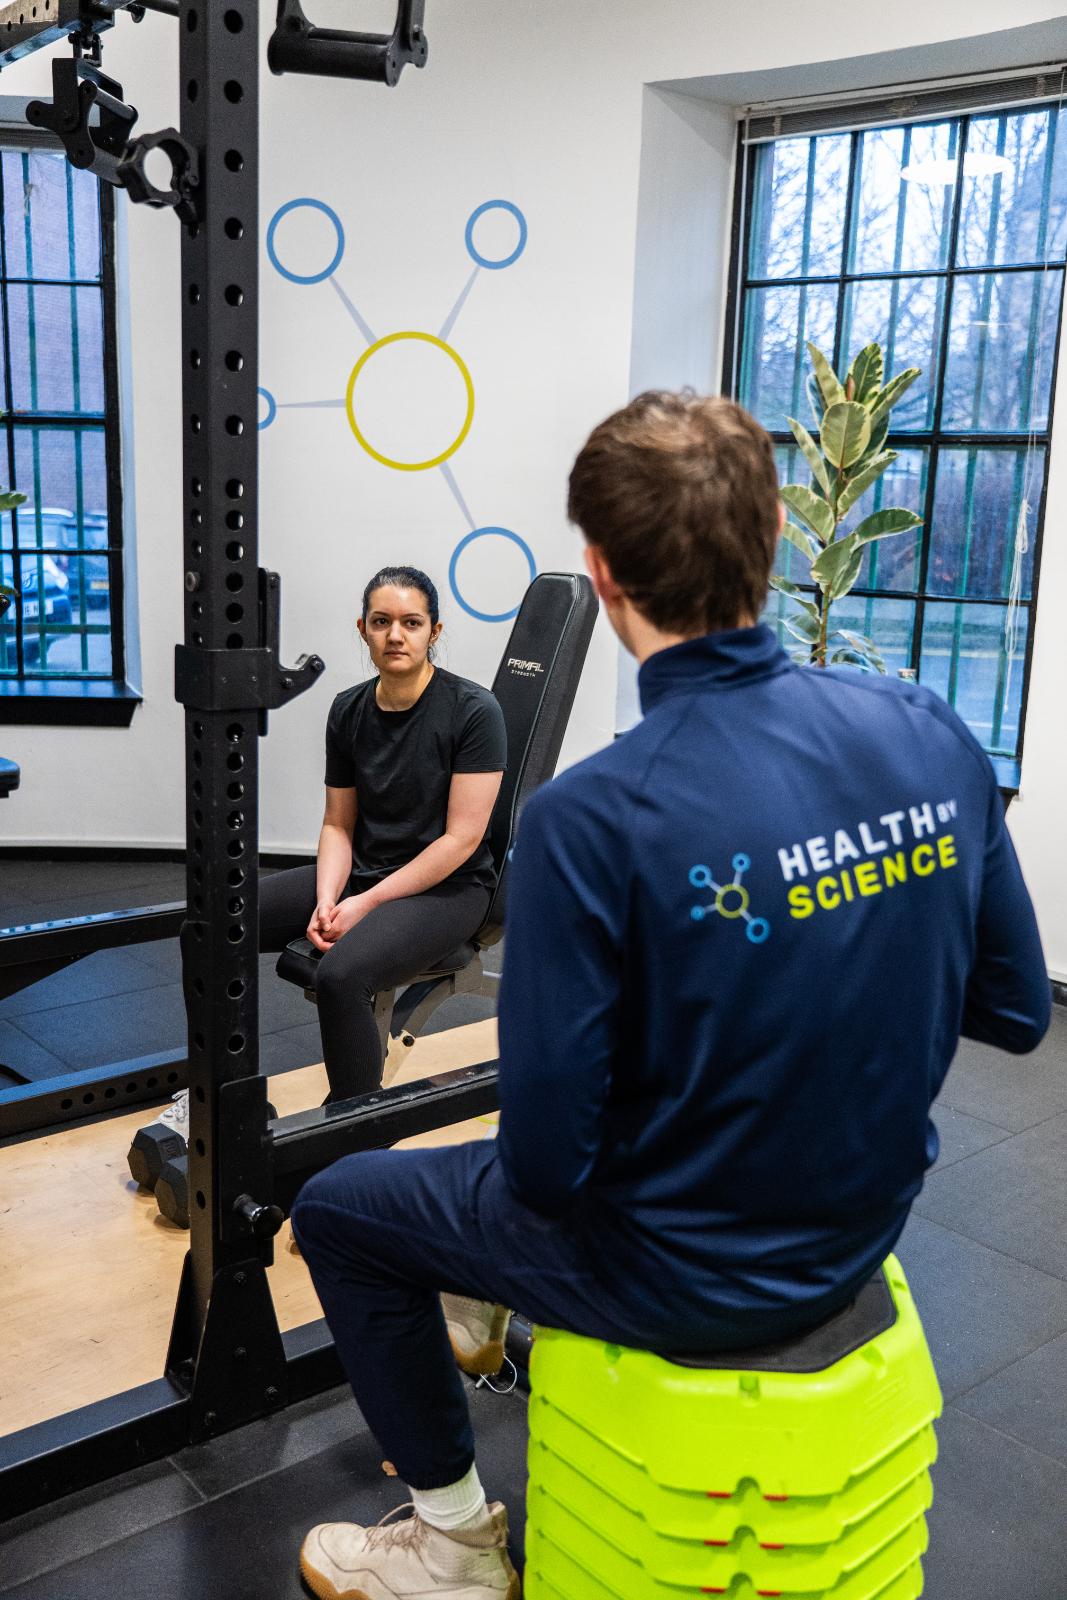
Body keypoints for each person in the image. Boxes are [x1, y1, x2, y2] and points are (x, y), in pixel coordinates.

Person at [290, 394, 1051, 1600]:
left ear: (598, 573)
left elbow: (542, 1170)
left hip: (681, 1277)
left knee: (339, 1206)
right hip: (860, 1230)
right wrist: (840, 943)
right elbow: (1016, 1009)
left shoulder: (587, 821)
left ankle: (450, 1541)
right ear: (769, 542)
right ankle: (484, 1314)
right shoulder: (923, 725)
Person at [259, 563, 507, 1101]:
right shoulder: (347, 708)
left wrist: (364, 904)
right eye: (381, 621)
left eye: (412, 623)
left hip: (451, 889)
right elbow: (337, 823)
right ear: (363, 628)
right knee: (214, 926)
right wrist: (328, 899)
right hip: (364, 873)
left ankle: (353, 1132)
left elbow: (461, 840)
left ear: (434, 632)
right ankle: (214, 1092)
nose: (395, 635)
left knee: (341, 977)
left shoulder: (473, 711)